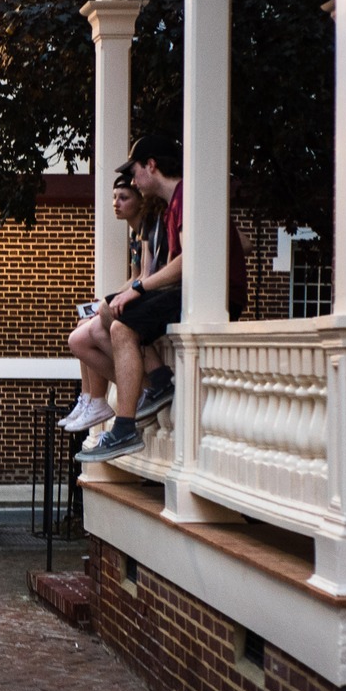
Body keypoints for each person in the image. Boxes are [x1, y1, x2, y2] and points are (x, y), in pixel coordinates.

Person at [77, 133, 249, 463]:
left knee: (122, 327)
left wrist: (138, 289)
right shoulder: (174, 206)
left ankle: (127, 424)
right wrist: (133, 295)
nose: (133, 180)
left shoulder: (186, 197)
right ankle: (156, 381)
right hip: (190, 290)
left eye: (135, 171)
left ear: (152, 166)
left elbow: (187, 262)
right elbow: (173, 264)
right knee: (112, 312)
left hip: (215, 292)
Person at [59, 169, 168, 434]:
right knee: (85, 322)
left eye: (124, 197)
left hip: (156, 301)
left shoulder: (150, 226)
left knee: (89, 331)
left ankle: (135, 388)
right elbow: (135, 277)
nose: (116, 203)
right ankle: (90, 397)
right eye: (114, 197)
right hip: (144, 296)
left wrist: (114, 300)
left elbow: (143, 278)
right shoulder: (136, 234)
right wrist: (111, 297)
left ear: (140, 201)